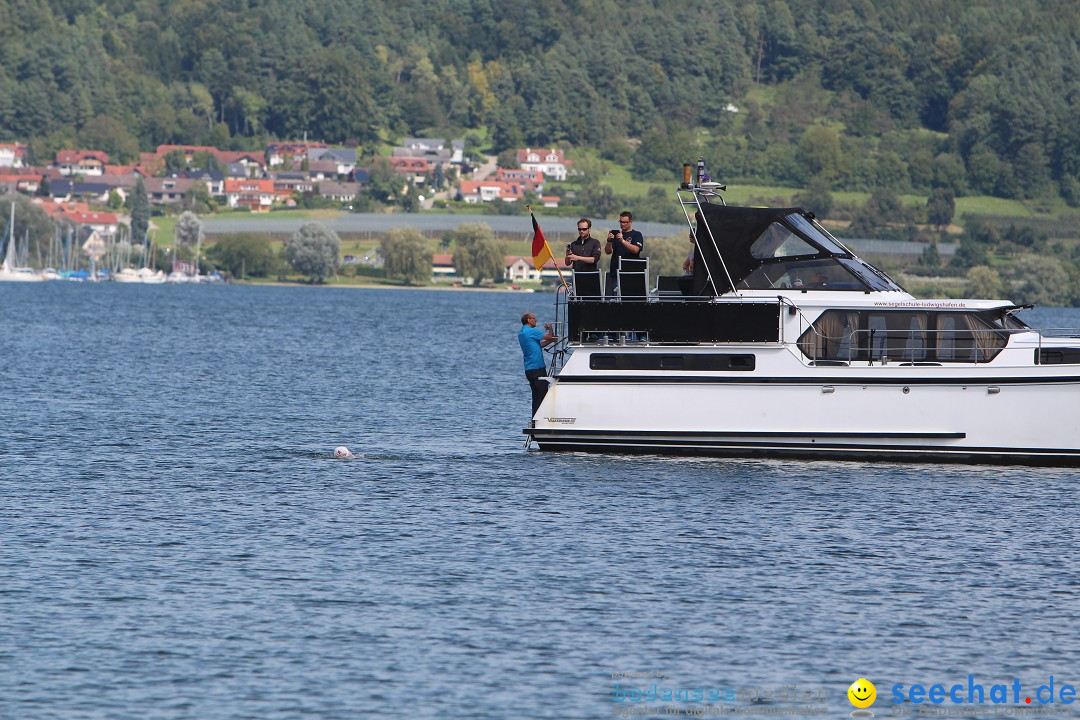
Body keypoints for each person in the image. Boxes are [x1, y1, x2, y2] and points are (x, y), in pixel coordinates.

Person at [518, 311, 557, 415]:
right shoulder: (532, 331)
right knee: (542, 394)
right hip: (537, 368)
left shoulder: (522, 333)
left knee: (536, 396)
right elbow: (549, 337)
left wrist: (552, 341)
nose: (536, 320)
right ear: (528, 320)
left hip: (529, 369)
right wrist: (550, 329)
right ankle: (540, 418)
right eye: (534, 318)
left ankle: (535, 419)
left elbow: (539, 345)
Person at [605, 210, 644, 296]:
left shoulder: (637, 234)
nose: (622, 224)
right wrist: (609, 240)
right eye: (620, 222)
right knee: (616, 298)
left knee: (630, 298)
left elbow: (635, 250)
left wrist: (622, 241)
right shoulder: (617, 235)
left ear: (630, 222)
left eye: (625, 222)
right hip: (616, 271)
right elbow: (608, 251)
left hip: (631, 272)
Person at [678, 231, 696, 296]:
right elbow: (685, 265)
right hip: (691, 278)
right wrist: (687, 272)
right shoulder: (692, 255)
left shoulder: (703, 255)